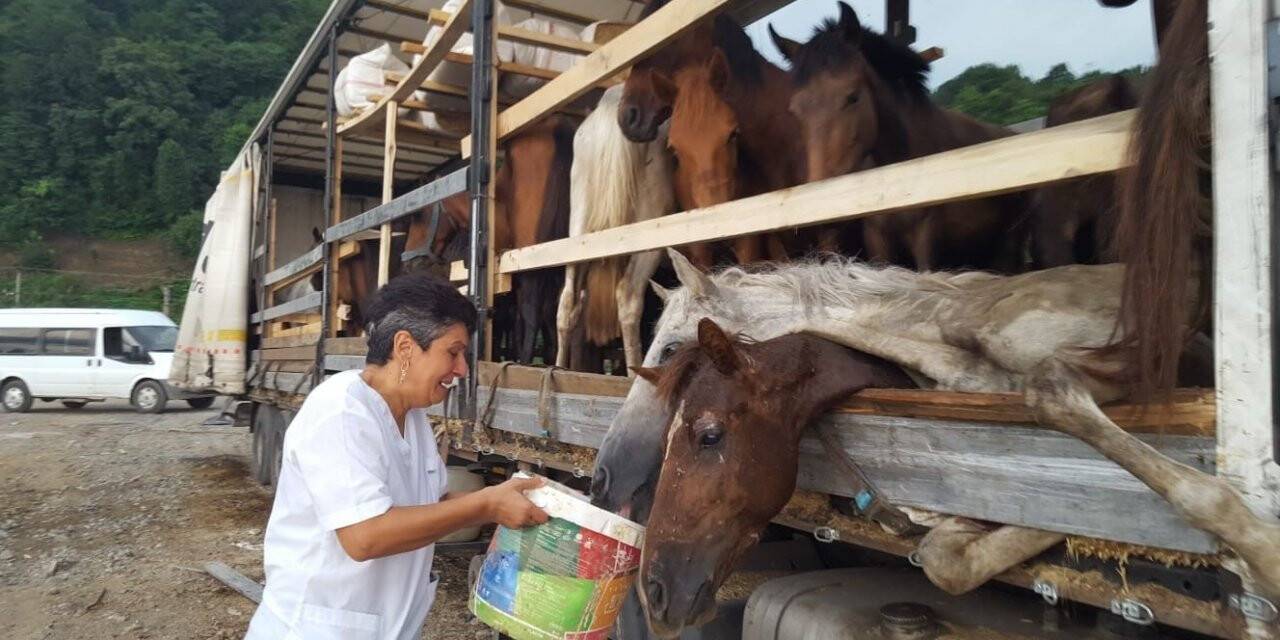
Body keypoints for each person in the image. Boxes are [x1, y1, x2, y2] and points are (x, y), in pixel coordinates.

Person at [245, 273, 548, 639]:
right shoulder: (341, 411)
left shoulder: (412, 414)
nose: (462, 369)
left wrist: (511, 501)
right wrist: (485, 506)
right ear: (405, 348)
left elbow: (432, 504)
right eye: (453, 352)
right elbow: (364, 536)